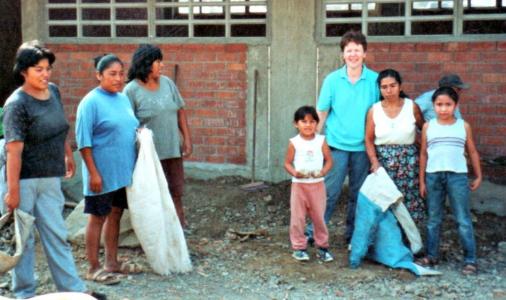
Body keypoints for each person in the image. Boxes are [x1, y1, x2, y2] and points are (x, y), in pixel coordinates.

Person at [2, 43, 105, 299]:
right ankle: (25, 293)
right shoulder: (16, 104)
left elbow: (60, 127)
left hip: (50, 177)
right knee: (23, 241)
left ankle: (72, 290)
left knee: (57, 234)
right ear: (24, 71)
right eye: (39, 69)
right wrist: (12, 192)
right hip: (23, 180)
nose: (45, 74)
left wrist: (68, 154)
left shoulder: (54, 93)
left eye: (48, 69)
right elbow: (13, 151)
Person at [306, 30, 380, 245]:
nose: (353, 55)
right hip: (336, 146)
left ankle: (352, 236)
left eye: (357, 50)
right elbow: (322, 112)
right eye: (349, 50)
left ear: (365, 53)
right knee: (329, 192)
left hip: (363, 149)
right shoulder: (332, 80)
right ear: (343, 54)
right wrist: (314, 142)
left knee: (358, 195)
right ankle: (314, 232)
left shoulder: (375, 81)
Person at [76, 54, 141, 284]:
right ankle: (93, 267)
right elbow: (83, 142)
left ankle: (111, 262)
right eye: (112, 74)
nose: (118, 78)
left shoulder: (122, 99)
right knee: (97, 218)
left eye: (121, 74)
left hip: (121, 173)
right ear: (98, 75)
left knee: (115, 215)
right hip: (100, 175)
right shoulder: (90, 102)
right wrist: (93, 173)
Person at [124, 44, 192, 228]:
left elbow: (180, 111)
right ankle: (156, 232)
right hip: (149, 156)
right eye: (158, 62)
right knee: (154, 195)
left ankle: (179, 227)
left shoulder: (168, 83)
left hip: (172, 148)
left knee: (176, 191)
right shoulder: (131, 90)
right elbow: (127, 125)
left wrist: (187, 139)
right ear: (146, 64)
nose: (162, 66)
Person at [418, 87, 482, 275]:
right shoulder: (428, 126)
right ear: (433, 105)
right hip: (433, 176)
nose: (443, 109)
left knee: (463, 218)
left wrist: (478, 175)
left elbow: (472, 151)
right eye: (439, 105)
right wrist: (422, 181)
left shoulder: (463, 126)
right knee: (433, 218)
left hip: (457, 176)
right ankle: (431, 255)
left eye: (448, 105)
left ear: (456, 105)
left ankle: (470, 260)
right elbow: (423, 154)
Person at [365, 69, 425, 222]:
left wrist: (424, 150)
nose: (389, 90)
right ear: (379, 89)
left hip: (409, 162)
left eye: (393, 85)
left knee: (409, 200)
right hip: (383, 163)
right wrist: (374, 162)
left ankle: (409, 241)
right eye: (384, 87)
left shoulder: (412, 107)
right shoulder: (374, 110)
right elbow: (368, 140)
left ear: (400, 86)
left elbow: (424, 130)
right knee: (385, 201)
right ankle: (387, 242)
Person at [284, 106, 333, 262]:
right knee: (298, 218)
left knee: (319, 217)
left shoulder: (321, 140)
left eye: (312, 121)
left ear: (317, 124)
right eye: (303, 121)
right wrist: (295, 172)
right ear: (296, 124)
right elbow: (287, 163)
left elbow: (329, 161)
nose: (308, 125)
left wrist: (323, 172)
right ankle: (299, 247)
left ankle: (323, 247)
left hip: (317, 185)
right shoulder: (294, 142)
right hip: (299, 185)